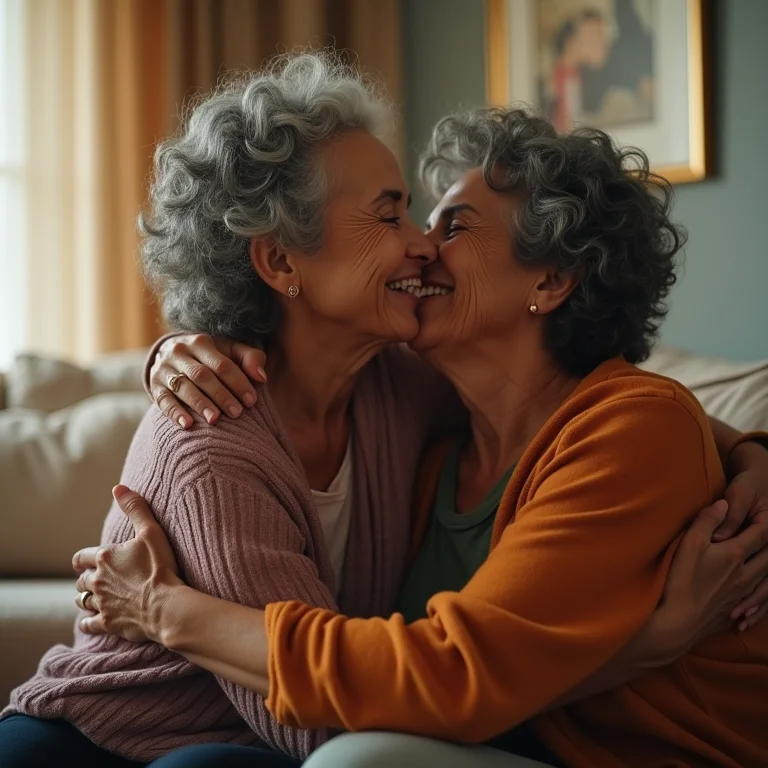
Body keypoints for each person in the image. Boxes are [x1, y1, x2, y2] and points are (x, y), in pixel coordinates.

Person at [67, 108, 768, 767]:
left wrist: (166, 611)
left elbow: (453, 675)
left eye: (453, 227)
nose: (421, 248)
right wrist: (173, 350)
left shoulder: (627, 429)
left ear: (551, 279)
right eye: (404, 218)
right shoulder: (434, 436)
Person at [0, 51, 467, 767]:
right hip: (96, 747)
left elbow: (566, 410)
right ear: (280, 263)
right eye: (389, 214)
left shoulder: (398, 386)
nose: (423, 244)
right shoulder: (209, 442)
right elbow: (314, 724)